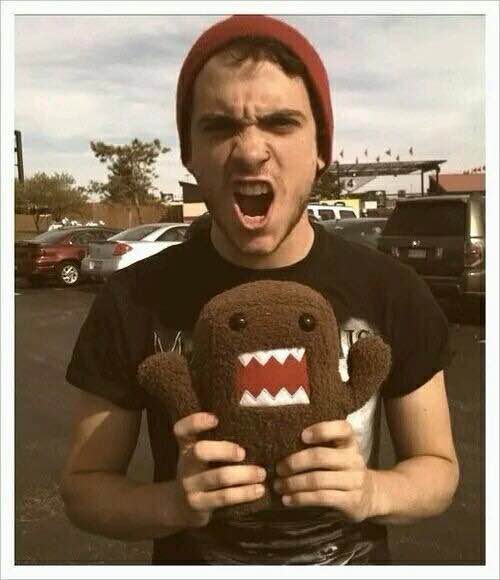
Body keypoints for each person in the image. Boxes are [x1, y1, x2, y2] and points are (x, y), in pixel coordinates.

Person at [61, 15, 459, 565]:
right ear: (189, 154)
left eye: (280, 122)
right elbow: (85, 488)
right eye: (219, 126)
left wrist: (371, 492)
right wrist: (173, 503)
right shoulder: (134, 298)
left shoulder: (392, 290)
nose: (250, 151)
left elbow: (437, 469)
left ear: (321, 149)